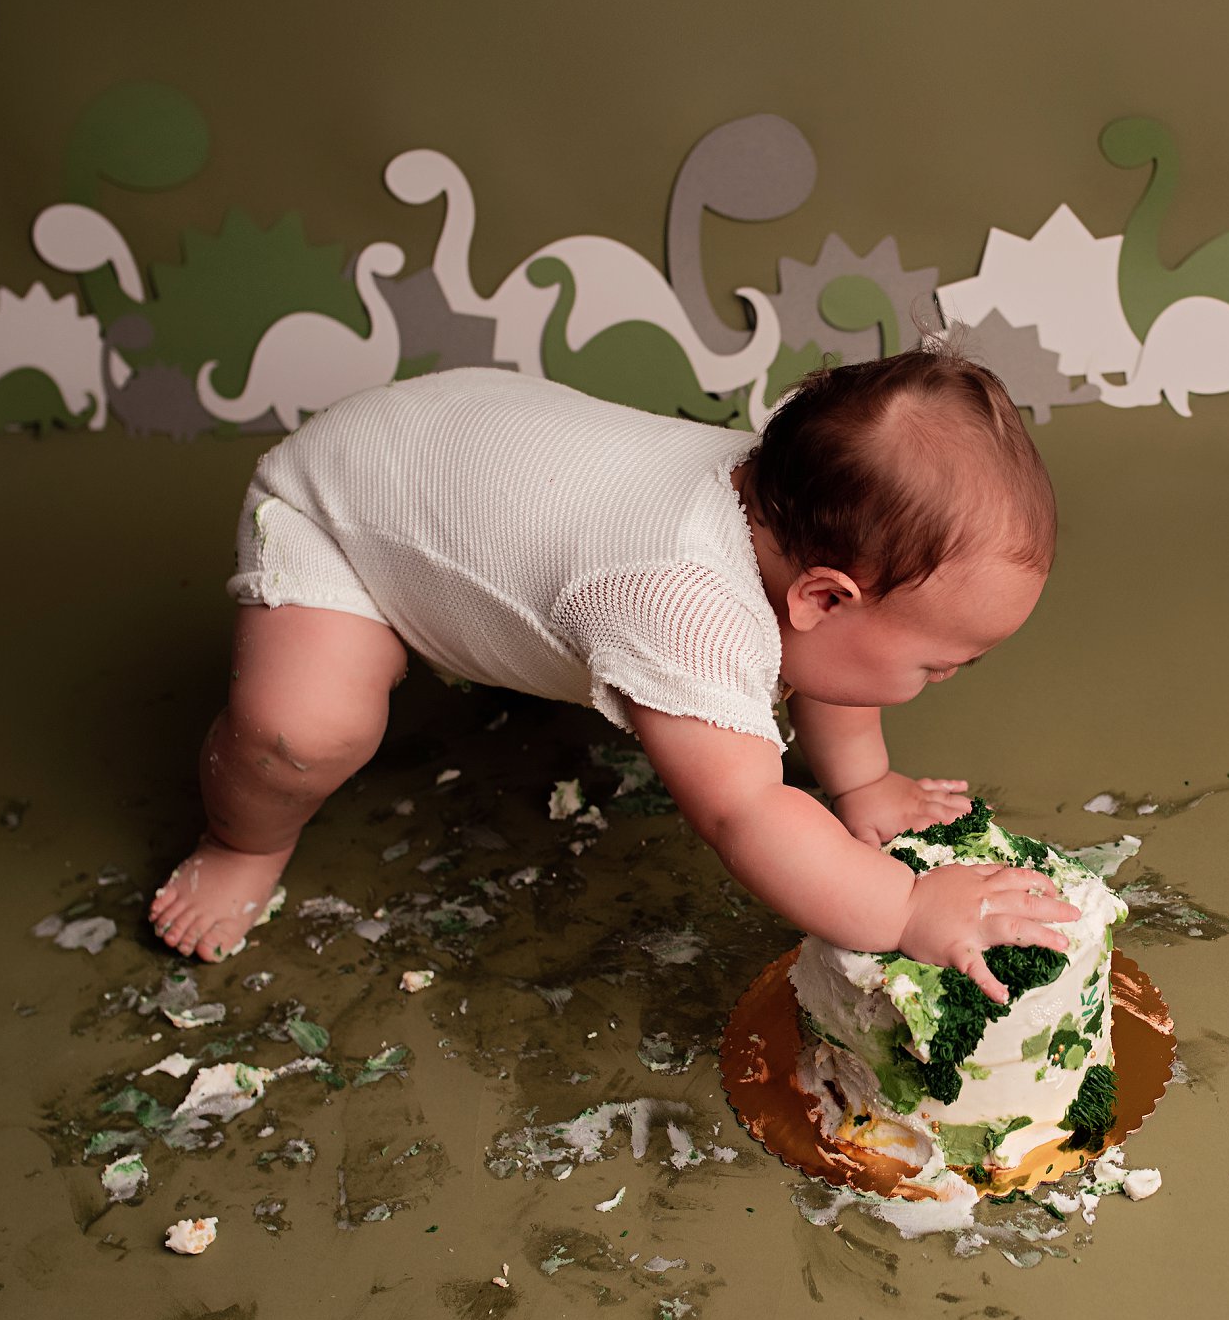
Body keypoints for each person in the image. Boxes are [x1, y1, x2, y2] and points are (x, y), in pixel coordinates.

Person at [148, 344, 1077, 1000]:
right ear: (824, 598)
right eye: (939, 661)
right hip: (348, 508)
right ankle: (242, 842)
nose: (952, 675)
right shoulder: (681, 604)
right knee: (304, 733)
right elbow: (744, 812)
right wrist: (906, 907)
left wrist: (861, 781)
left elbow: (822, 663)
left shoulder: (787, 511)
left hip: (466, 435)